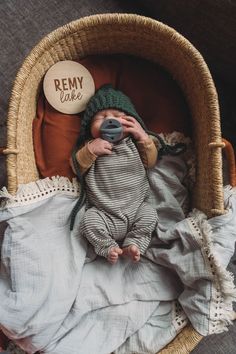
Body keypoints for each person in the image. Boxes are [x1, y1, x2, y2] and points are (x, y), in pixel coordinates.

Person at [70, 84, 159, 264]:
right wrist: (90, 151)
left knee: (150, 215)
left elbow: (151, 162)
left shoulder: (134, 143)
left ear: (132, 122)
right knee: (88, 221)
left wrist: (143, 137)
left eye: (119, 117)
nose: (110, 121)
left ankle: (134, 243)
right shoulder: (92, 145)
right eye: (101, 117)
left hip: (136, 210)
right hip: (104, 213)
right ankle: (107, 246)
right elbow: (75, 167)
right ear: (89, 127)